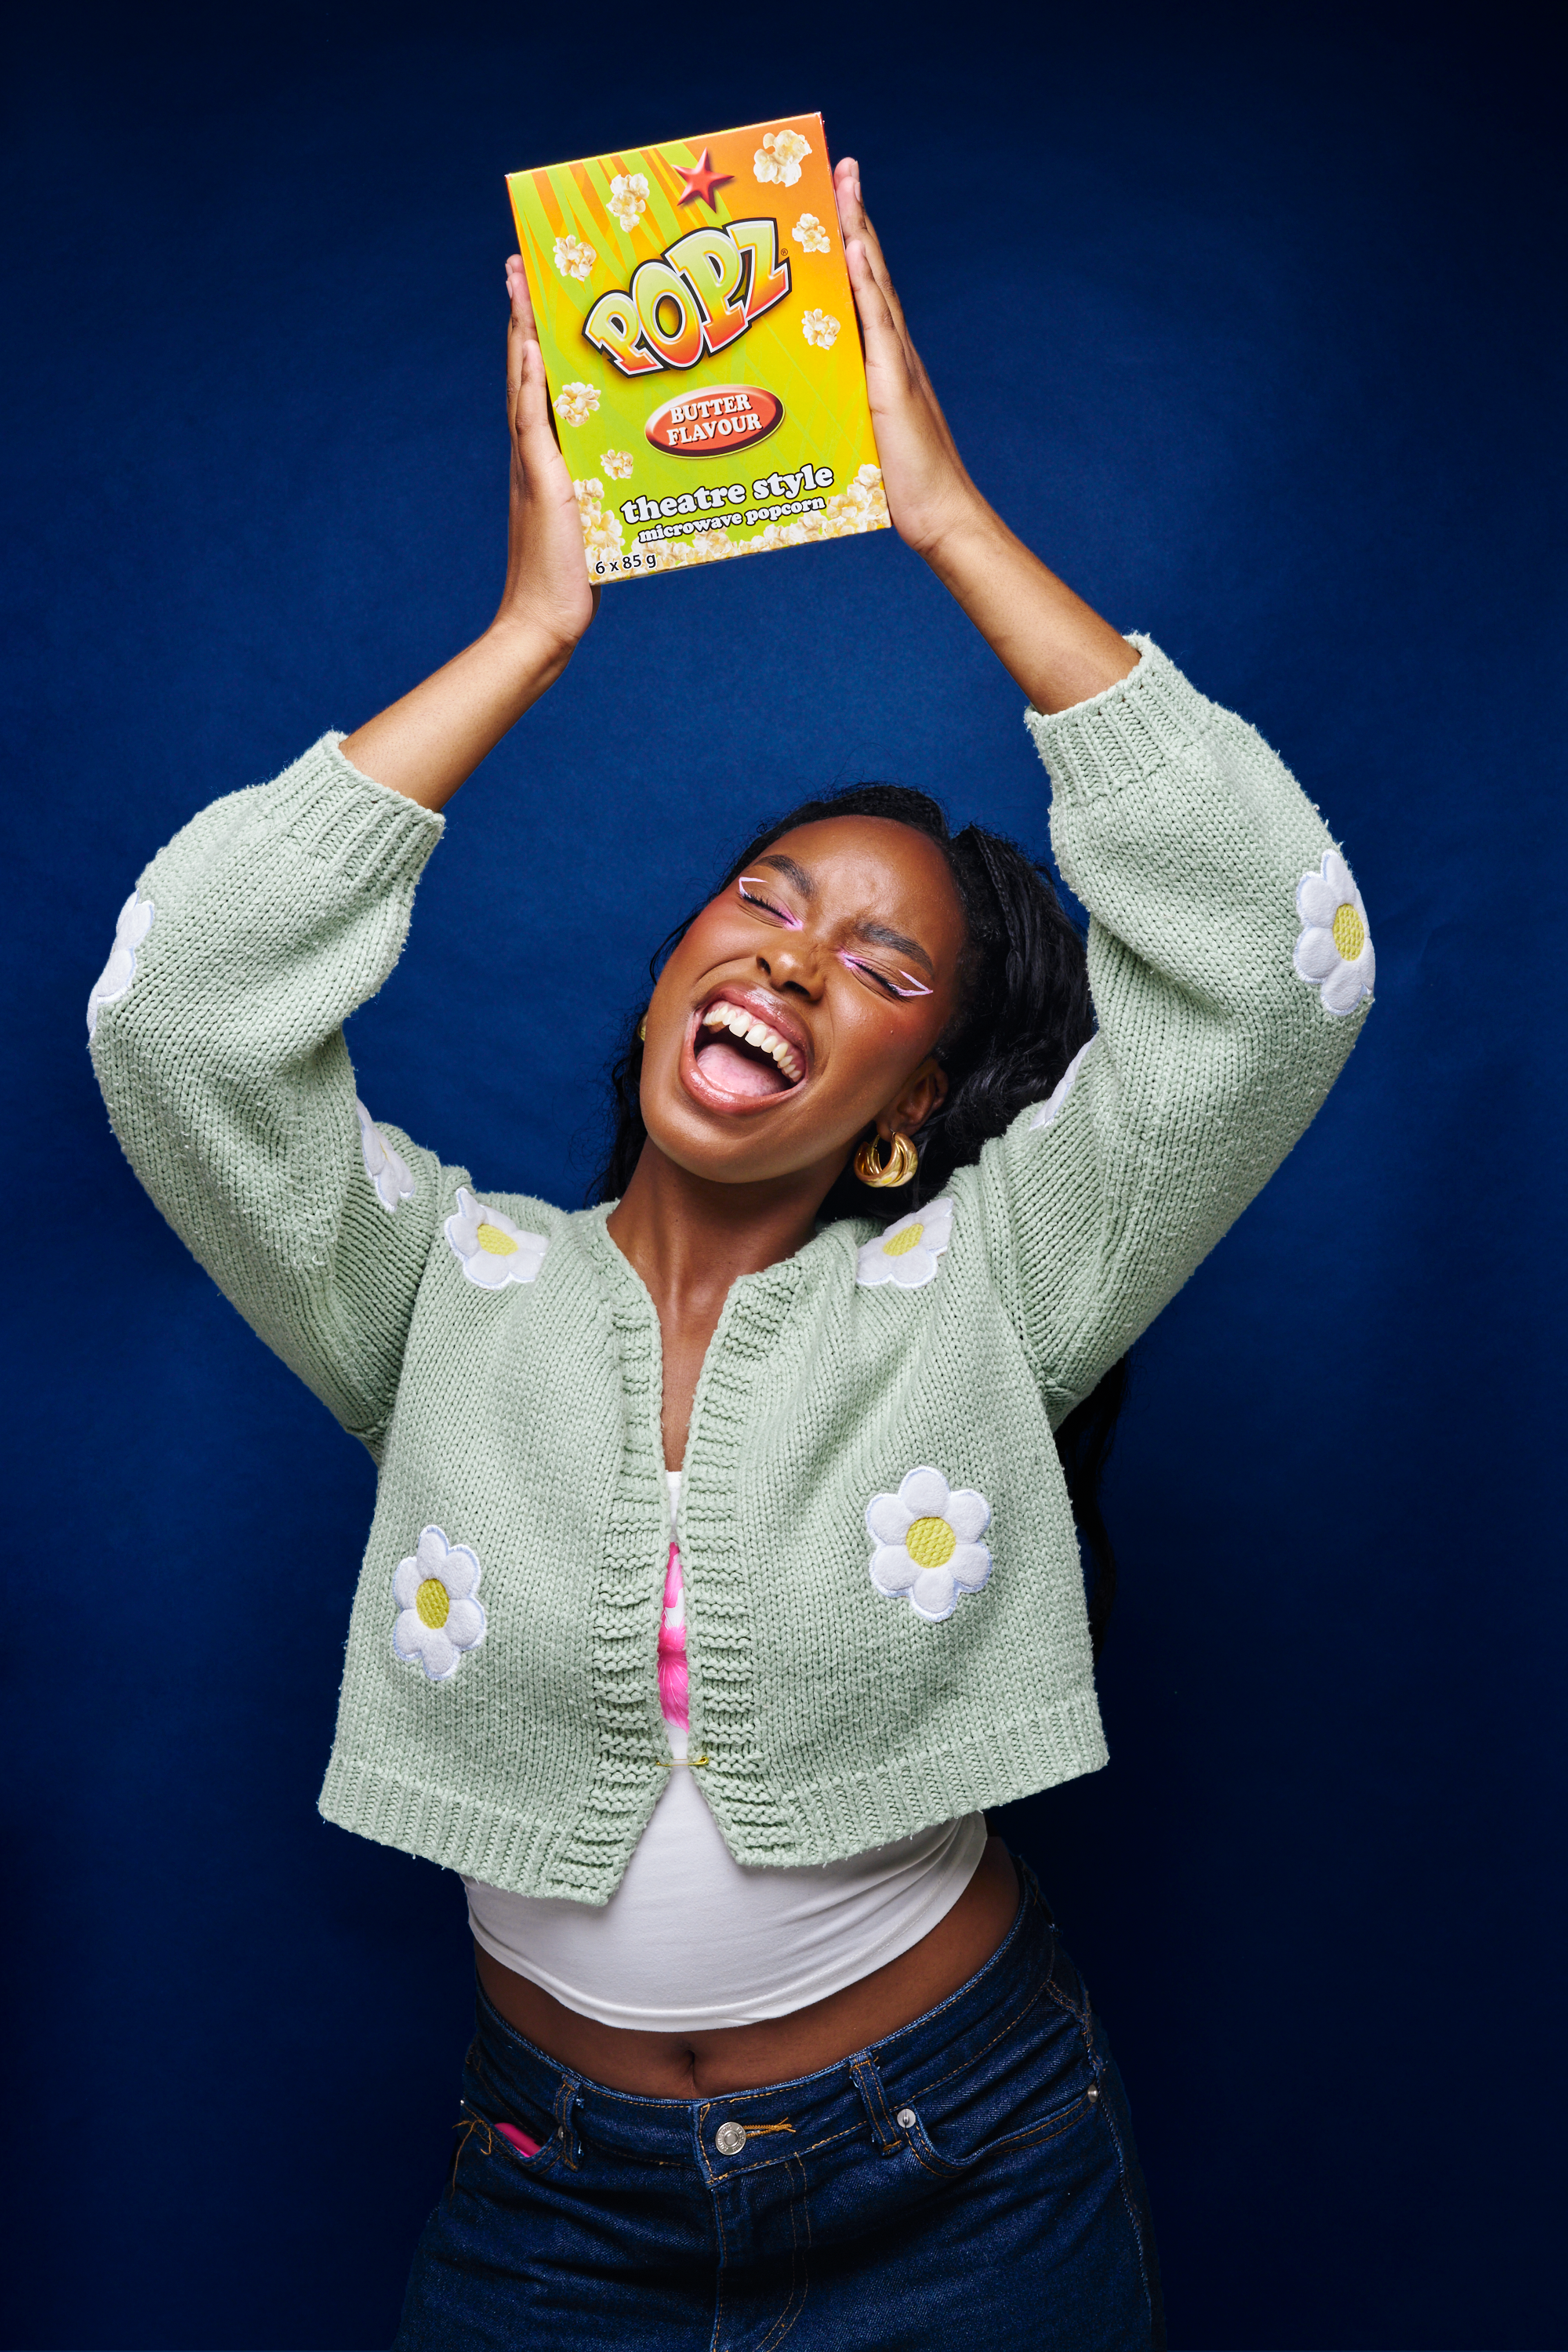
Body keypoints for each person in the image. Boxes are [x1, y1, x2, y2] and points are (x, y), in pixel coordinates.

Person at [87, 157, 1374, 2350]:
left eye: (885, 963)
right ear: (684, 955)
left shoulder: (996, 1279)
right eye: (771, 894)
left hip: (966, 2165)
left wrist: (953, 521)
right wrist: (527, 635)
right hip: (544, 2194)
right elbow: (176, 1013)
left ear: (906, 1102)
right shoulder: (439, 1289)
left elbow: (1283, 968)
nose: (800, 951)